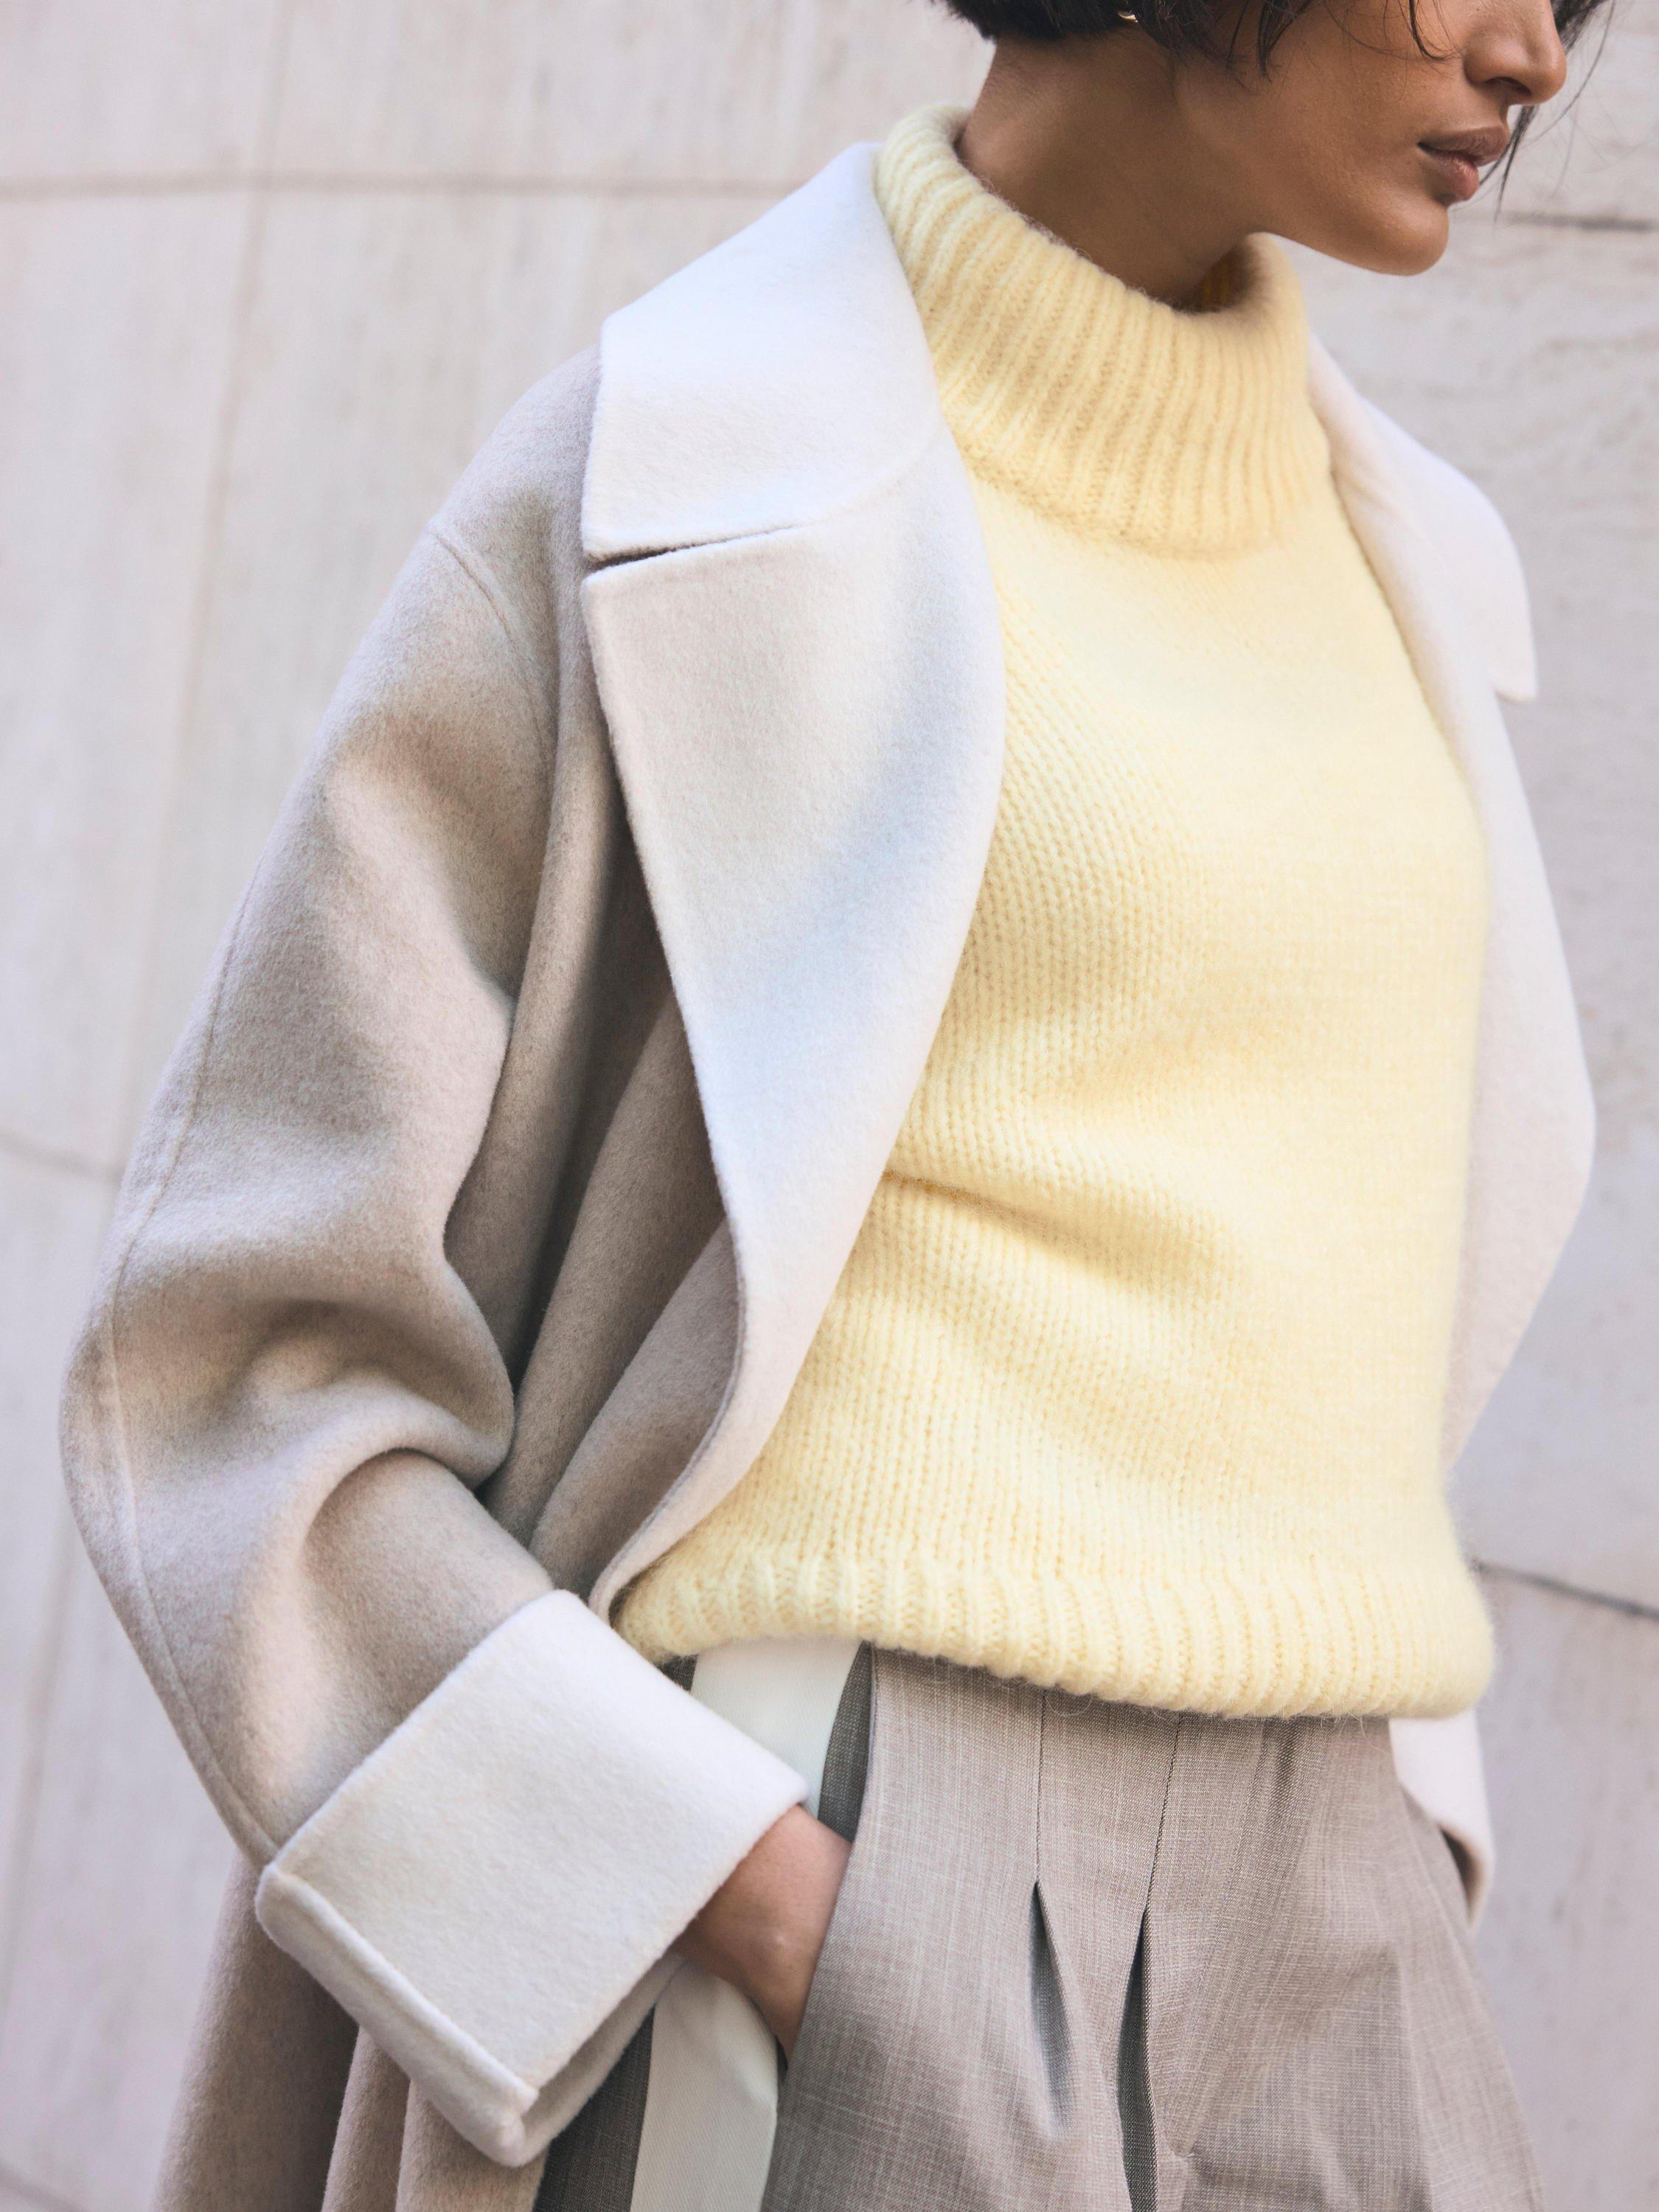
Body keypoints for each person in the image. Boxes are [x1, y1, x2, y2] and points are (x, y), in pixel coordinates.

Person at [60, 0, 1602, 2204]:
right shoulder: (658, 474)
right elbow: (238, 1348)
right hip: (849, 1840)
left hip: (1340, 1913)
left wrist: (1396, 1823)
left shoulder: (1403, 565)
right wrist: (748, 1898)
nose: (1532, 55)